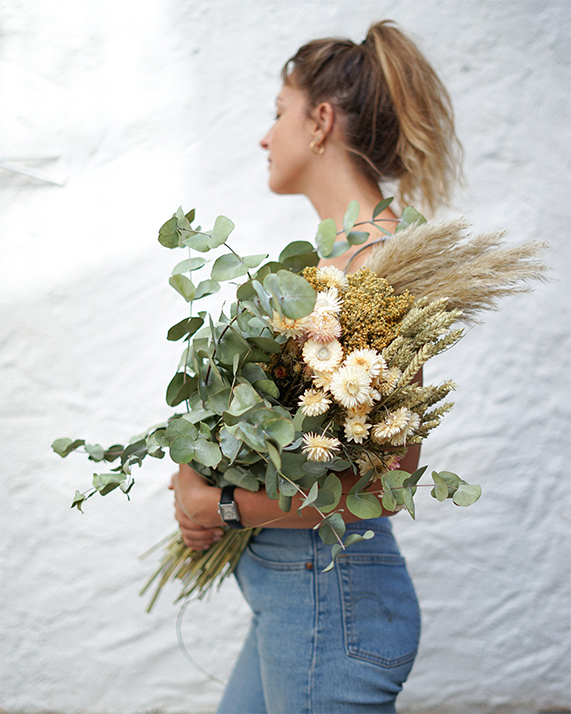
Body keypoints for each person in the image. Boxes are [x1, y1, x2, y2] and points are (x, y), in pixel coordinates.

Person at [170, 20, 462, 714]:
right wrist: (197, 468)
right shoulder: (327, 266)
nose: (265, 136)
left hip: (330, 604)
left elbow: (387, 481)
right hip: (295, 598)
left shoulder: (386, 266)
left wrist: (222, 504)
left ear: (320, 120)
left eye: (278, 113)